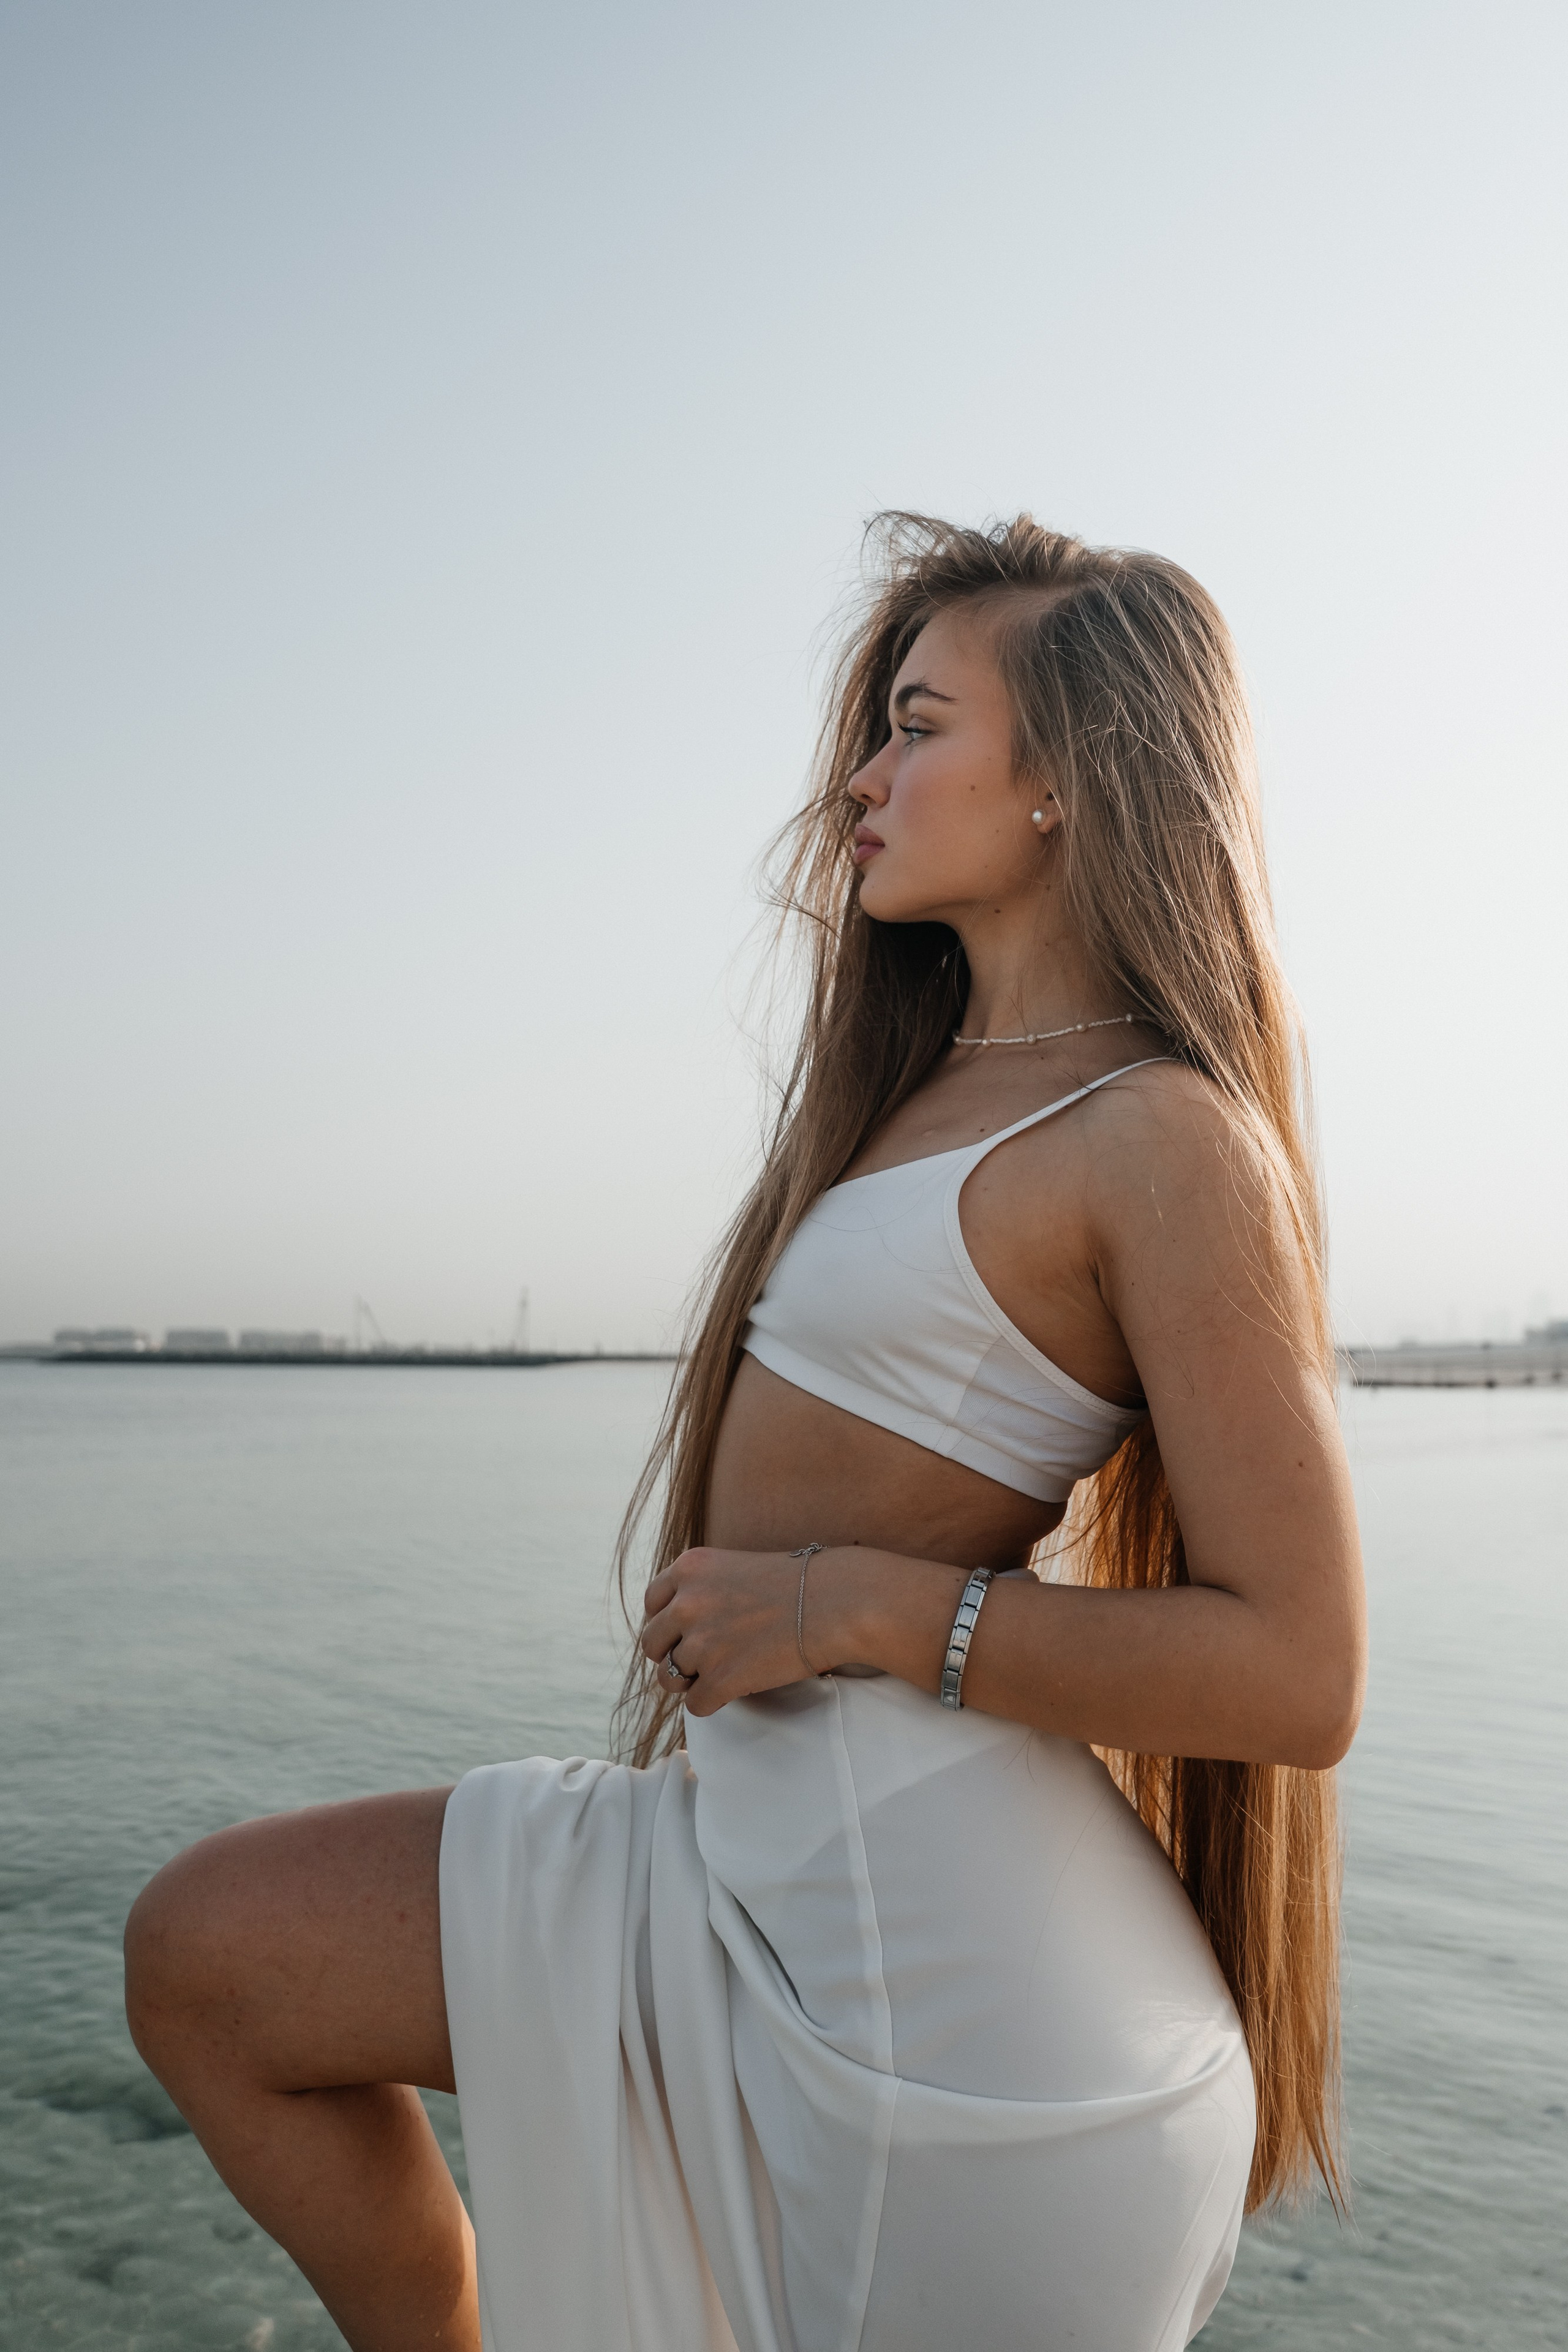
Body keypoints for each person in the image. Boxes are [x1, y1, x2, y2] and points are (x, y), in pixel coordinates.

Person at [124, 513, 1366, 2352]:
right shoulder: (924, 1087)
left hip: (969, 2019)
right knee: (210, 1958)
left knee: (212, 1958)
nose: (863, 776)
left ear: (1066, 783)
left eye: (919, 722)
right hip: (740, 1867)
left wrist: (864, 1605)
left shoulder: (1157, 1132)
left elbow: (1300, 1672)